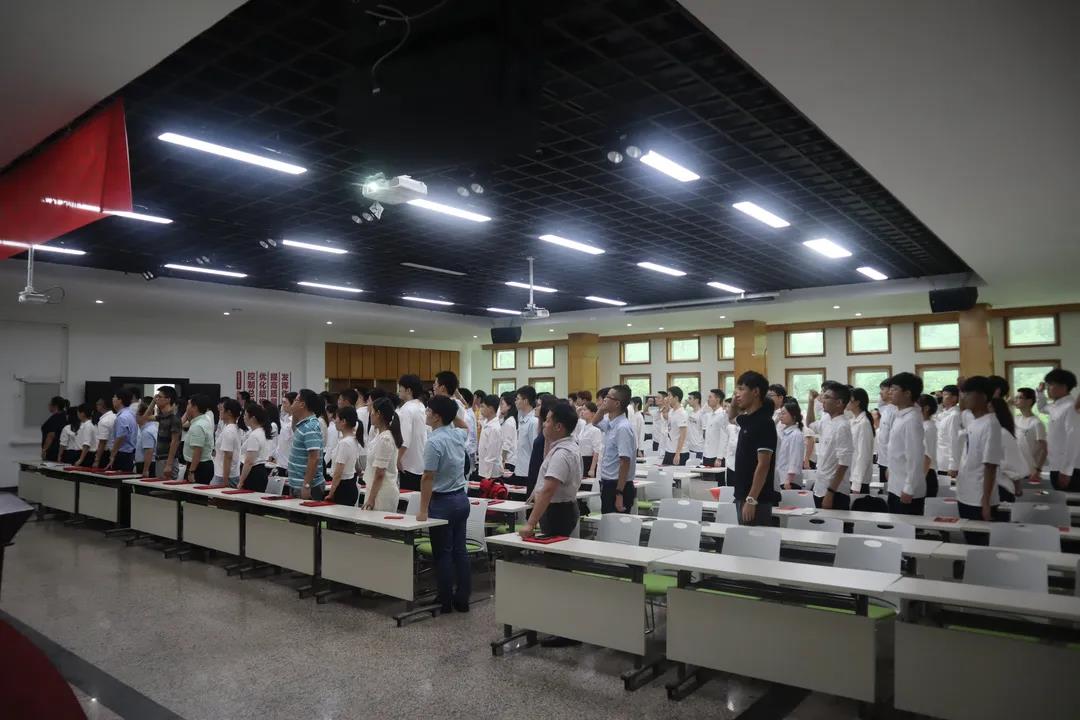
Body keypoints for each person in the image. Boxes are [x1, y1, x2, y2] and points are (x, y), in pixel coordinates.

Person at [416, 395, 470, 613]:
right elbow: (464, 425)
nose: (426, 413)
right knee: (460, 551)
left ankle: (445, 600)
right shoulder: (457, 434)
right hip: (461, 499)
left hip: (443, 502)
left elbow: (427, 477)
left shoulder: (434, 441)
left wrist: (422, 509)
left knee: (443, 553)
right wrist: (452, 414)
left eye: (429, 411)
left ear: (437, 417)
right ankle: (462, 599)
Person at [521, 401, 584, 547]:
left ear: (558, 427)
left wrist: (530, 523)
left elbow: (548, 490)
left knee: (555, 555)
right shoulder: (566, 446)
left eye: (548, 421)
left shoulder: (562, 454)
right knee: (556, 555)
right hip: (561, 509)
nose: (544, 424)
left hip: (557, 512)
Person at [954, 376, 1003, 535]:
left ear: (982, 396)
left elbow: (990, 465)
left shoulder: (991, 424)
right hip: (965, 494)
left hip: (979, 498)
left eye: (968, 393)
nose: (964, 397)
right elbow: (962, 409)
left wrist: (986, 501)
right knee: (969, 540)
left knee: (980, 542)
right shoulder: (973, 421)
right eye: (964, 393)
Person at [729, 371, 778, 525]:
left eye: (741, 389)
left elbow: (763, 464)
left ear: (756, 392)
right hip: (742, 494)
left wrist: (751, 499)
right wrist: (734, 402)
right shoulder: (747, 419)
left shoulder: (765, 423)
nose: (737, 394)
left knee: (755, 538)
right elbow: (731, 418)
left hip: (756, 499)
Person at [881, 373, 926, 515]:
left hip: (906, 490)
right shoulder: (900, 416)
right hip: (896, 485)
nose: (890, 392)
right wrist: (889, 467)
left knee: (906, 526)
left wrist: (909, 488)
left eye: (894, 389)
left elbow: (915, 457)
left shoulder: (911, 420)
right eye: (890, 389)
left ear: (907, 393)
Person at [805, 382, 854, 510]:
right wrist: (810, 402)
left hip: (835, 492)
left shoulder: (843, 426)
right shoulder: (827, 420)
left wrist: (831, 492)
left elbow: (843, 464)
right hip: (820, 487)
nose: (823, 400)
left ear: (839, 403)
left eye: (827, 397)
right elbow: (810, 423)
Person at [591, 385, 637, 513]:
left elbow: (625, 462)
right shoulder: (610, 423)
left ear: (617, 403)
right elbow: (594, 422)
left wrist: (619, 493)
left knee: (617, 524)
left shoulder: (622, 427)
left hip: (618, 486)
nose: (604, 399)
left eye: (608, 397)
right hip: (608, 483)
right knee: (607, 522)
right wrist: (602, 409)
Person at [1036, 369, 1080, 491]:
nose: (1047, 388)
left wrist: (1066, 470)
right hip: (1056, 466)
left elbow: (1074, 439)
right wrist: (1040, 393)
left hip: (1070, 469)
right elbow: (1042, 408)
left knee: (1069, 501)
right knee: (1060, 500)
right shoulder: (1055, 406)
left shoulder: (1071, 407)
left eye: (1050, 384)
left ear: (1063, 387)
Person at [362, 397, 403, 511]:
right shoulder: (379, 436)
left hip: (382, 493)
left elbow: (380, 473)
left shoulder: (385, 439)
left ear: (378, 414)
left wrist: (371, 499)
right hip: (375, 489)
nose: (370, 415)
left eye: (372, 411)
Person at [288, 389, 325, 500]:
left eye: (295, 400)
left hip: (307, 486)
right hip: (297, 484)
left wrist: (306, 485)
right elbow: (294, 428)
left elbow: (314, 458)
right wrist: (294, 412)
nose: (292, 403)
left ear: (302, 404)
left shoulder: (311, 427)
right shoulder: (303, 424)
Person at [396, 374, 427, 492]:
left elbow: (404, 440)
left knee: (406, 498)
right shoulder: (421, 406)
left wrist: (397, 459)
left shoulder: (406, 409)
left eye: (400, 387)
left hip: (408, 465)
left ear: (408, 390)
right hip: (420, 462)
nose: (398, 390)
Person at [327, 406, 361, 506]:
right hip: (350, 485)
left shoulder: (345, 443)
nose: (335, 421)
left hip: (343, 488)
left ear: (343, 421)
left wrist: (331, 493)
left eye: (337, 418)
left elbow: (338, 472)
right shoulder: (353, 440)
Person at [237, 402, 273, 492]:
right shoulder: (261, 432)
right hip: (259, 471)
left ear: (253, 418)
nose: (243, 417)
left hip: (254, 473)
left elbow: (249, 462)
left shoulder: (255, 435)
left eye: (245, 415)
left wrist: (241, 481)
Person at [1014, 388, 1047, 484]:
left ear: (1029, 401)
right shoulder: (1015, 419)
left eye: (1020, 398)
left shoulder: (1036, 423)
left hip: (1029, 471)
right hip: (1014, 470)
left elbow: (1044, 450)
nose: (1016, 400)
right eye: (1016, 397)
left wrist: (1038, 470)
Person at [847, 388, 875, 493]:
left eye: (849, 399)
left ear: (857, 402)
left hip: (859, 480)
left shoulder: (864, 423)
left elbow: (864, 455)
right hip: (850, 475)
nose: (846, 402)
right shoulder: (852, 421)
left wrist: (856, 484)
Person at [183, 395, 216, 483]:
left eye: (188, 404)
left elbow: (197, 451)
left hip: (199, 467)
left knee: (193, 491)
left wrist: (191, 471)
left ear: (195, 407)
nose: (186, 407)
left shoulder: (198, 425)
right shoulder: (202, 420)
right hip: (201, 464)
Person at [152, 387, 183, 480]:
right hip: (159, 458)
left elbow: (175, 442)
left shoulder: (174, 418)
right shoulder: (162, 416)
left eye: (159, 397)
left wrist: (169, 464)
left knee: (165, 487)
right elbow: (142, 419)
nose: (157, 399)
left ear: (168, 399)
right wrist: (153, 402)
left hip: (167, 460)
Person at [105, 388, 139, 472]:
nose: (112, 399)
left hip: (122, 454)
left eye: (114, 397)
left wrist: (112, 455)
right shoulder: (131, 414)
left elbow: (120, 437)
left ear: (120, 400)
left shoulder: (122, 417)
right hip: (129, 453)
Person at [514, 385, 539, 494]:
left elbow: (535, 449)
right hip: (520, 470)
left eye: (518, 399)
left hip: (528, 472)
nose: (515, 401)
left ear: (525, 401)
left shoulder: (533, 422)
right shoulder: (522, 419)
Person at [213, 399, 243, 488]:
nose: (220, 412)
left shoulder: (229, 430)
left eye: (222, 409)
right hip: (228, 474)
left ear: (229, 412)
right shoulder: (233, 428)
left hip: (224, 475)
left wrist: (225, 480)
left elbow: (228, 456)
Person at [776, 399, 804, 490]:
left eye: (783, 413)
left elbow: (795, 458)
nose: (780, 416)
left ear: (794, 416)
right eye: (780, 413)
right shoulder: (785, 433)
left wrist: (789, 480)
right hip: (782, 478)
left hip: (790, 481)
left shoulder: (796, 434)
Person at [935, 384, 961, 474]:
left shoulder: (954, 416)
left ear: (954, 398)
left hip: (947, 464)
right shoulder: (944, 414)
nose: (942, 397)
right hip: (940, 461)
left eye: (945, 395)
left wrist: (953, 465)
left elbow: (954, 440)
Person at [476, 393, 503, 481]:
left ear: (490, 409)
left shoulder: (494, 428)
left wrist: (487, 477)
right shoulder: (487, 423)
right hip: (484, 470)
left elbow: (492, 455)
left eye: (483, 406)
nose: (481, 409)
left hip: (491, 474)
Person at [917, 394, 939, 498]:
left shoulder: (928, 428)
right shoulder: (924, 425)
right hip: (923, 473)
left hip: (925, 474)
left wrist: (918, 482)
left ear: (926, 408)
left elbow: (926, 458)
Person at [876, 379, 896, 487]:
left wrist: (891, 465)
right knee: (884, 492)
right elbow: (880, 403)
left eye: (883, 389)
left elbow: (895, 441)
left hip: (890, 463)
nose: (880, 392)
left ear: (891, 390)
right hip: (883, 461)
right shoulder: (885, 409)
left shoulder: (895, 411)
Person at [702, 389, 729, 470]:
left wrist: (719, 457)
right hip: (707, 455)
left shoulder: (723, 415)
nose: (708, 399)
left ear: (717, 399)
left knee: (718, 478)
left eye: (710, 397)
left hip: (716, 456)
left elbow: (724, 438)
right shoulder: (709, 415)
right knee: (706, 478)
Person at [663, 386, 689, 466]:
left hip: (679, 453)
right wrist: (666, 405)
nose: (667, 398)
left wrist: (677, 454)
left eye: (669, 395)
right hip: (669, 450)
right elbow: (665, 416)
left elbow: (683, 435)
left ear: (676, 398)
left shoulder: (682, 413)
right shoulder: (672, 411)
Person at [135, 400, 159, 478]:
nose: (135, 416)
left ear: (142, 415)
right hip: (149, 463)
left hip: (146, 464)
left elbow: (149, 451)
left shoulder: (147, 431)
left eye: (137, 414)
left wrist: (145, 470)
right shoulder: (152, 428)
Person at [578, 402, 602, 478]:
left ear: (593, 413)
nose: (582, 412)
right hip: (580, 460)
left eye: (585, 410)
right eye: (582, 410)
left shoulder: (595, 430)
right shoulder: (583, 427)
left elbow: (596, 451)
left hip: (589, 461)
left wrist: (592, 469)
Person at [40, 396, 67, 462]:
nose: (48, 405)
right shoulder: (65, 416)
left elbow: (51, 435)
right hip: (63, 449)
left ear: (55, 406)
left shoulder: (55, 418)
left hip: (53, 450)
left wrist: (44, 450)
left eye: (50, 404)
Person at [92, 397, 116, 468]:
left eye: (97, 404)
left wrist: (97, 460)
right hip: (115, 451)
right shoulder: (115, 416)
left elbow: (102, 442)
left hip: (106, 453)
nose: (96, 406)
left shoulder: (104, 421)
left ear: (102, 405)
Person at [686, 391, 705, 461]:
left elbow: (705, 432)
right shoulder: (690, 413)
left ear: (696, 400)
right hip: (689, 447)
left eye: (690, 398)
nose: (688, 400)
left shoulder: (702, 414)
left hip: (699, 449)